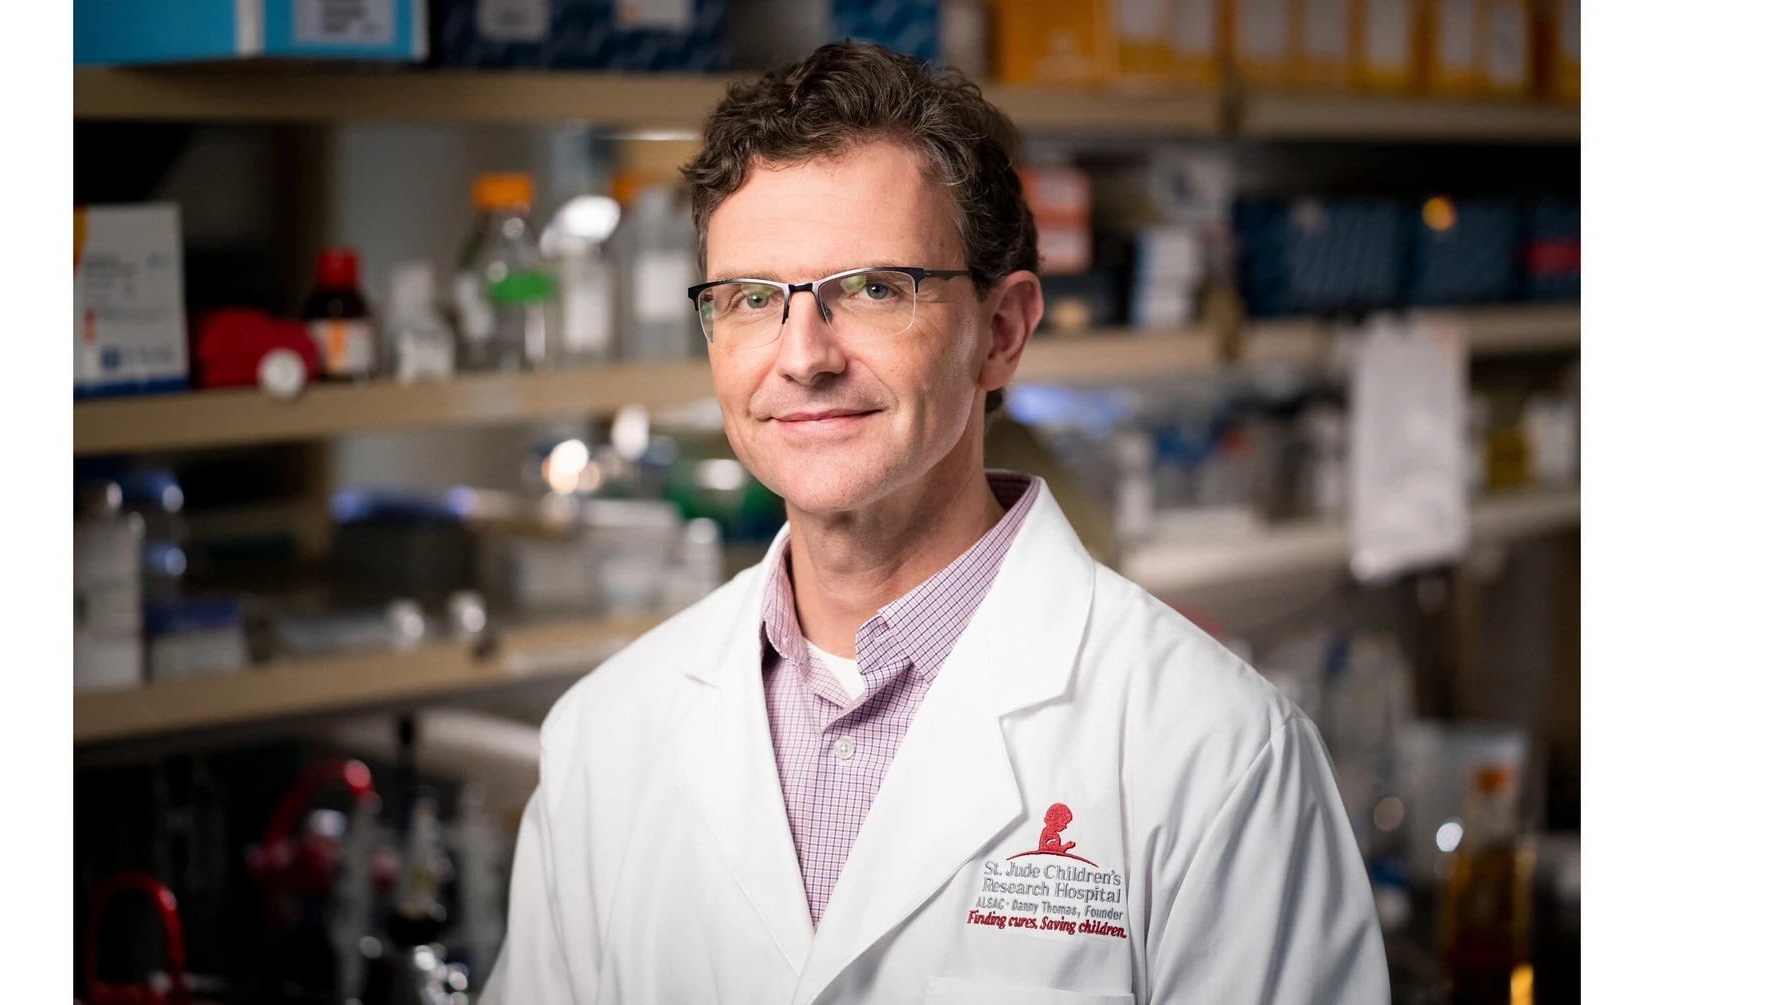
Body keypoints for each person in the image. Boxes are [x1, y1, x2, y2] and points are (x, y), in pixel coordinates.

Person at [482, 42, 1388, 1004]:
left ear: (1001, 331)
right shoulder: (605, 736)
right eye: (751, 299)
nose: (803, 357)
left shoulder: (1215, 749)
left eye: (873, 288)